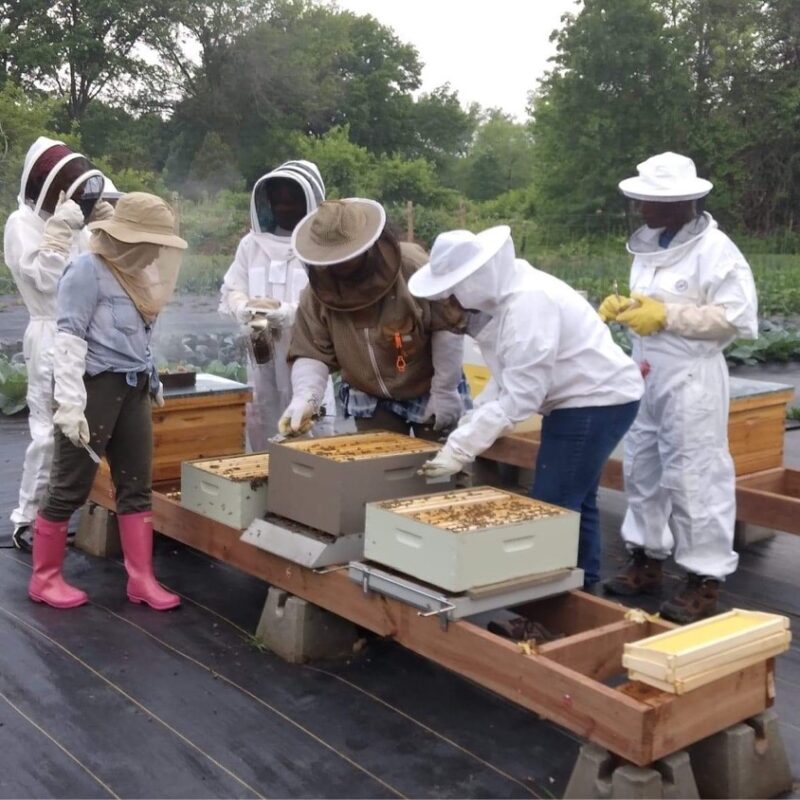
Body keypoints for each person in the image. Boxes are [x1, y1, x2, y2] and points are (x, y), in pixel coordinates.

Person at [409, 226, 644, 590]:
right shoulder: (508, 296)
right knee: (576, 501)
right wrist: (468, 428)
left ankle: (552, 606)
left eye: (453, 291)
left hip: (593, 402)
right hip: (587, 399)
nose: (451, 303)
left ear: (474, 279)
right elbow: (505, 380)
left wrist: (460, 447)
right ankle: (583, 593)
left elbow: (521, 398)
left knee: (550, 508)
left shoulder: (528, 303)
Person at [600, 152, 758, 623]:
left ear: (684, 202)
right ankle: (646, 559)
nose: (642, 210)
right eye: (642, 201)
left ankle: (703, 580)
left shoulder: (718, 250)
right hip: (646, 373)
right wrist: (626, 307)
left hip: (692, 379)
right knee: (641, 467)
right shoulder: (652, 247)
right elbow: (653, 304)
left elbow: (736, 318)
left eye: (651, 202)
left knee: (696, 477)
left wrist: (667, 316)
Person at [29, 192, 187, 610]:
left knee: (137, 485)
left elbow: (137, 336)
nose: (155, 253)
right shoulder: (86, 270)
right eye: (150, 244)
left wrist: (151, 377)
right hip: (93, 387)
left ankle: (142, 581)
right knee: (70, 485)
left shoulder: (139, 277)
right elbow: (68, 337)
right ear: (127, 239)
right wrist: (68, 404)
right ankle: (44, 579)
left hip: (133, 387)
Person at [279, 199, 469, 439]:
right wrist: (306, 397)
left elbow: (446, 325)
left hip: (429, 387)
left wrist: (445, 390)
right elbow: (312, 351)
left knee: (438, 465)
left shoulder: (412, 265)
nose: (341, 264)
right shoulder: (317, 293)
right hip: (369, 394)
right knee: (379, 470)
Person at [4, 136, 112, 551]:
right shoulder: (20, 224)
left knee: (88, 429)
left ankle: (67, 511)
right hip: (49, 333)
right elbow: (48, 280)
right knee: (49, 434)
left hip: (87, 333)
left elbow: (99, 271)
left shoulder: (74, 222)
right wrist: (61, 231)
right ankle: (27, 519)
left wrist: (104, 224)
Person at [218, 160, 335, 448]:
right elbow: (232, 287)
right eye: (278, 200)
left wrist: (287, 313)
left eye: (291, 201)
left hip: (307, 354)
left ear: (308, 202)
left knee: (309, 426)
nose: (284, 207)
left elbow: (329, 304)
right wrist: (244, 307)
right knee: (263, 421)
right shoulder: (251, 244)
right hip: (260, 352)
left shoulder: (320, 249)